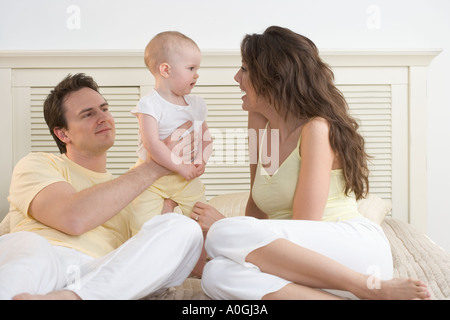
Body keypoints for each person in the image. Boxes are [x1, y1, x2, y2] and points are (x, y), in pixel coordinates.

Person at [194, 26, 430, 300]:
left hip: (347, 249)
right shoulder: (261, 125)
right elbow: (257, 209)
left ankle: (365, 286)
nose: (237, 77)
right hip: (296, 258)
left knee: (224, 234)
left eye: (245, 69)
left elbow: (305, 226)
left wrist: (225, 228)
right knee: (216, 276)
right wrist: (234, 246)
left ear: (273, 76)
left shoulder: (316, 129)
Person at [0, 73, 203, 300]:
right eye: (88, 114)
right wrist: (157, 165)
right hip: (45, 258)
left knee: (183, 228)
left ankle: (72, 297)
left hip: (98, 277)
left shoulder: (136, 190)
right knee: (30, 244)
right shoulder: (39, 163)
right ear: (62, 133)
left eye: (104, 109)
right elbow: (73, 218)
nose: (103, 118)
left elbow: (150, 253)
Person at [129, 31, 212, 236]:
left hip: (185, 179)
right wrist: (180, 166)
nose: (196, 74)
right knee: (141, 222)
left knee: (201, 216)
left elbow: (205, 136)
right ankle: (146, 254)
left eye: (197, 68)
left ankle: (200, 260)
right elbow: (153, 144)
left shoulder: (196, 105)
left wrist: (202, 158)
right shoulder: (149, 104)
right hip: (152, 180)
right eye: (191, 68)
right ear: (166, 69)